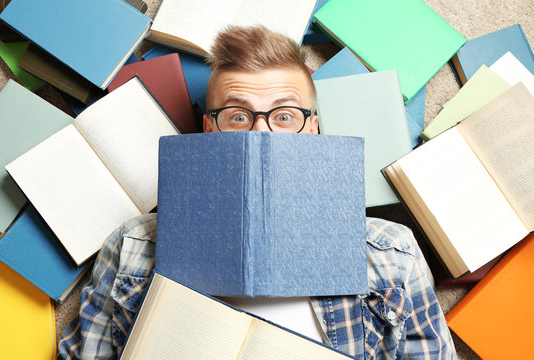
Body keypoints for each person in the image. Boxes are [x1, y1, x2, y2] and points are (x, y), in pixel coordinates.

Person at [57, 26, 456, 360]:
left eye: (284, 116)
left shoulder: (392, 253)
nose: (261, 133)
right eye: (238, 116)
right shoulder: (132, 246)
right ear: (209, 129)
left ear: (313, 127)